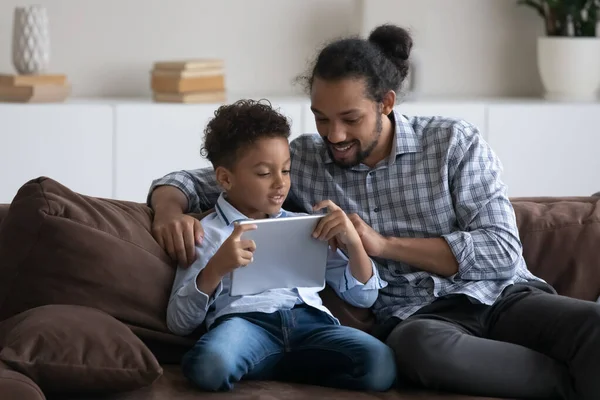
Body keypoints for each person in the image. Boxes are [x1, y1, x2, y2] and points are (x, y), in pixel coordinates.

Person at [150, 25, 600, 399]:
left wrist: (382, 245)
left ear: (385, 103)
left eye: (349, 118)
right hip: (419, 319)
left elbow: (501, 250)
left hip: (506, 297)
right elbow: (203, 178)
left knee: (589, 326)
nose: (334, 134)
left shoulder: (452, 142)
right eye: (321, 118)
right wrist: (169, 210)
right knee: (419, 351)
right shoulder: (301, 161)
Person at [165, 99, 396, 392]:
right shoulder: (206, 233)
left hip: (312, 327)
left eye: (286, 171)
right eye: (264, 173)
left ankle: (290, 368)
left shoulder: (308, 225)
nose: (280, 184)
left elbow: (364, 298)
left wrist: (353, 243)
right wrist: (216, 269)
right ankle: (262, 361)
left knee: (380, 364)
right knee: (210, 365)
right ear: (225, 178)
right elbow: (178, 322)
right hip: (246, 326)